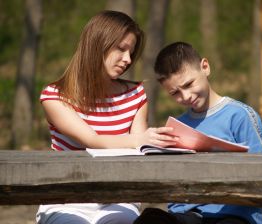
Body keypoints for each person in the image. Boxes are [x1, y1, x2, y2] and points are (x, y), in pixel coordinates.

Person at [36, 10, 177, 224]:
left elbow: (140, 151)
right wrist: (140, 139)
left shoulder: (135, 94)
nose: (127, 59)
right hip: (66, 198)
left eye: (131, 52)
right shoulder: (55, 96)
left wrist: (161, 142)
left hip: (119, 198)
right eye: (121, 49)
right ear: (97, 44)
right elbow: (92, 140)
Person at [135, 42, 262, 224]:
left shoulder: (239, 116)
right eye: (175, 93)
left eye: (189, 84)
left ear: (205, 67)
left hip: (233, 214)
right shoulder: (178, 126)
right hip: (188, 214)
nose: (186, 96)